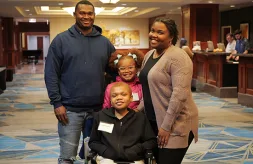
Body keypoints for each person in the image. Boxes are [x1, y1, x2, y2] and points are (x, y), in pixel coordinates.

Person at [44, 0, 115, 163]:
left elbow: (114, 71)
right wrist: (56, 103)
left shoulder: (104, 42)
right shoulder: (61, 40)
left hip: (98, 111)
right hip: (69, 111)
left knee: (95, 156)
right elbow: (51, 74)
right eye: (82, 13)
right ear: (75, 14)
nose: (86, 16)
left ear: (94, 15)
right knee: (68, 157)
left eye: (90, 13)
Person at [139, 17, 198, 164]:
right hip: (153, 120)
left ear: (171, 36)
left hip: (176, 123)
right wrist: (137, 110)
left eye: (160, 32)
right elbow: (149, 88)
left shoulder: (178, 57)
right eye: (152, 31)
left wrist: (166, 127)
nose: (154, 35)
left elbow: (180, 95)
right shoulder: (149, 55)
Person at [88, 82, 157, 164]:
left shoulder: (140, 117)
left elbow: (151, 141)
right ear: (110, 99)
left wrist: (136, 150)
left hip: (134, 158)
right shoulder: (101, 116)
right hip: (107, 158)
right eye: (114, 96)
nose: (119, 98)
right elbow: (93, 142)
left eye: (123, 95)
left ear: (131, 98)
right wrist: (106, 151)